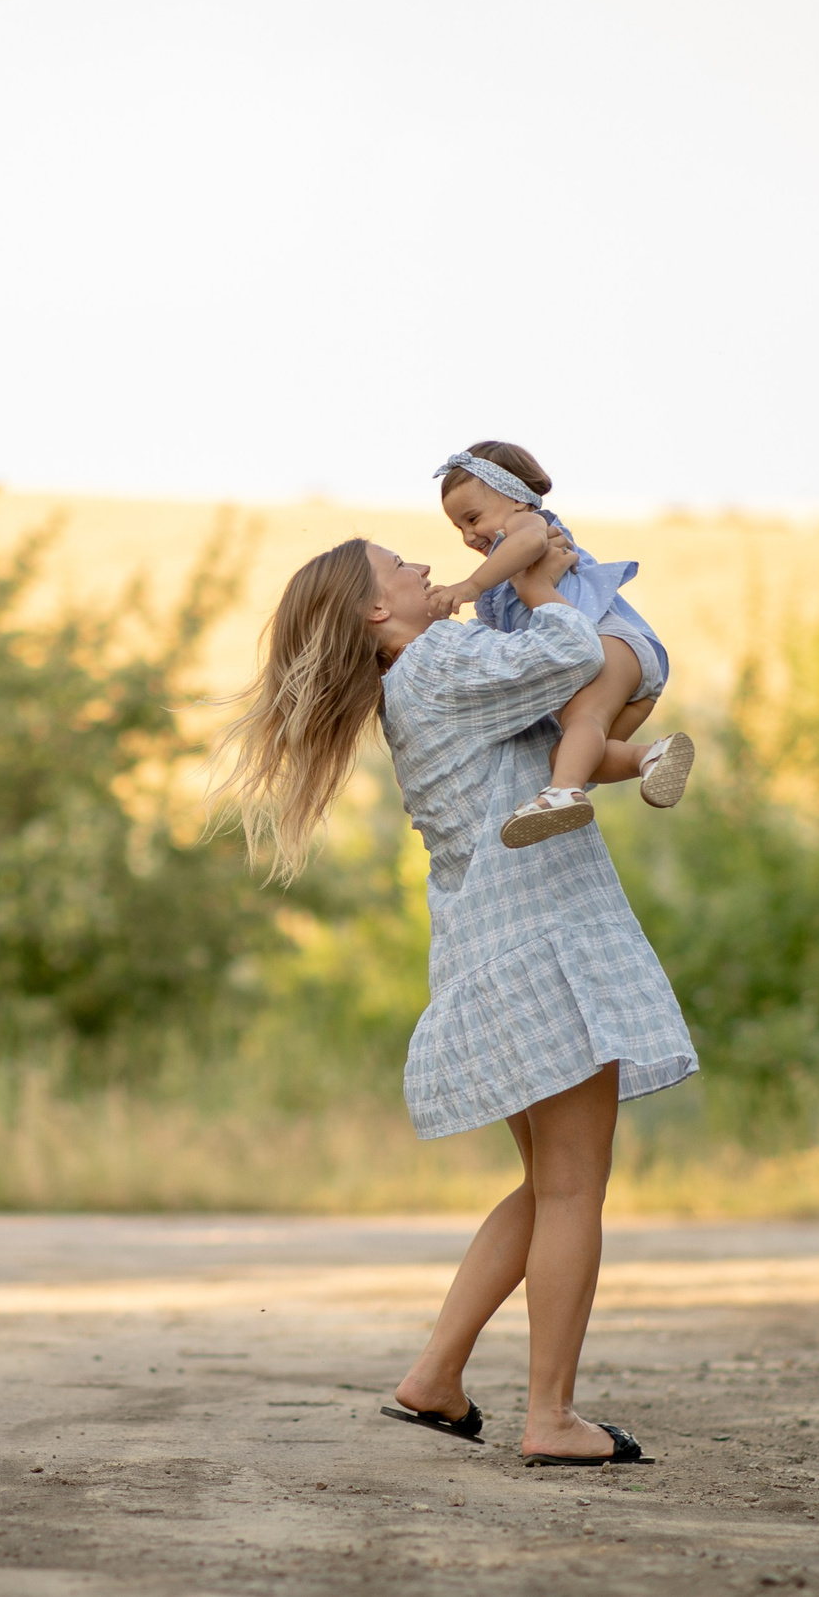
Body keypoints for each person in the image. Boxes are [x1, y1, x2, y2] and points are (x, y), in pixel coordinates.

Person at [213, 532, 697, 1466]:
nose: (426, 570)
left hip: (490, 953)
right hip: (543, 943)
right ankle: (551, 1417)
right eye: (401, 566)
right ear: (375, 610)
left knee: (548, 1185)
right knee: (573, 1188)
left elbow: (562, 732)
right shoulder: (439, 661)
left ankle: (436, 1377)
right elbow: (575, 655)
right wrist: (543, 585)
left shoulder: (413, 689)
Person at [425, 441, 691, 847]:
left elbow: (530, 545)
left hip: (608, 642)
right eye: (458, 527)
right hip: (623, 673)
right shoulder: (505, 571)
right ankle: (647, 758)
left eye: (473, 518)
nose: (468, 535)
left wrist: (470, 586)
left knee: (583, 727)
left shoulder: (529, 526)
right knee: (571, 755)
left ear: (516, 498)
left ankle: (561, 793)